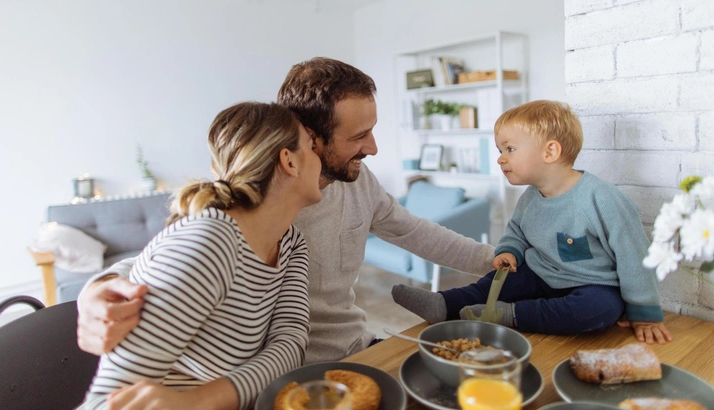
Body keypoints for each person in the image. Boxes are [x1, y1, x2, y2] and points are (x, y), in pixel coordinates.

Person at [76, 58, 495, 371]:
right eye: (358, 136)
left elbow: (414, 231)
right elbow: (172, 254)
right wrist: (99, 288)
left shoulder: (357, 181)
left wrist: (493, 260)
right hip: (277, 376)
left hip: (354, 347)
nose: (373, 148)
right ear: (308, 140)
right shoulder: (264, 197)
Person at [79, 102, 321, 410]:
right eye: (311, 148)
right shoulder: (210, 242)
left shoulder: (291, 243)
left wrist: (199, 401)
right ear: (289, 161)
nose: (319, 160)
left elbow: (291, 345)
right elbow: (104, 403)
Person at [392, 100, 673, 345]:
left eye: (510, 149)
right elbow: (517, 230)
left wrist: (644, 311)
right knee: (495, 283)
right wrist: (508, 251)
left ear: (550, 152)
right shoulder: (530, 196)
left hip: (592, 285)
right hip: (539, 275)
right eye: (501, 150)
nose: (501, 159)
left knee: (598, 310)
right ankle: (445, 304)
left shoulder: (603, 200)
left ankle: (511, 315)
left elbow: (636, 257)